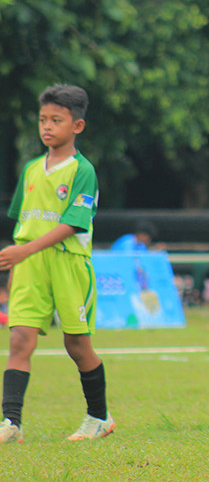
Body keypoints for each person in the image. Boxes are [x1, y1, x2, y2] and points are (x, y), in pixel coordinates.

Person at [0, 84, 113, 444]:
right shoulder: (32, 170)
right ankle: (10, 422)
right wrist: (20, 259)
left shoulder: (83, 170)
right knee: (20, 340)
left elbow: (73, 223)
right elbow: (22, 219)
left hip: (67, 262)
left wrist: (24, 250)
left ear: (76, 126)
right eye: (43, 119)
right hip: (30, 265)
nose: (47, 127)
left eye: (57, 120)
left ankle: (99, 417)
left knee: (77, 345)